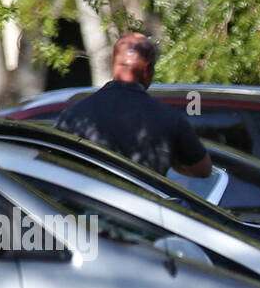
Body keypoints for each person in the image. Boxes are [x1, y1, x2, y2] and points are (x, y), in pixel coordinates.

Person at [55, 33, 212, 179]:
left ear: (114, 64)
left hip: (86, 205)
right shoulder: (169, 118)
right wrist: (173, 160)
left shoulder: (74, 115)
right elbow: (203, 170)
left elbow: (52, 164)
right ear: (147, 68)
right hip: (142, 206)